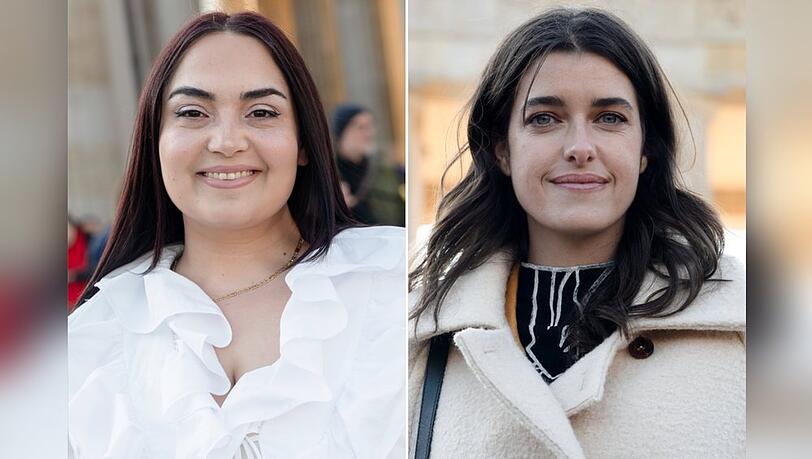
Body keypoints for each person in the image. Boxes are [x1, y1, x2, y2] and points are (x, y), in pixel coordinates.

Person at [408, 8, 744, 458]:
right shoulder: (420, 335)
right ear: (502, 150)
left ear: (646, 148)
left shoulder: (743, 327)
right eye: (544, 118)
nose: (580, 148)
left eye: (610, 118)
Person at [69, 12, 404, 459]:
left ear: (304, 142)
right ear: (155, 141)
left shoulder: (397, 285)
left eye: (261, 112)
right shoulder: (92, 342)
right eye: (192, 112)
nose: (227, 141)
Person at [332, 104, 405, 226]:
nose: (369, 133)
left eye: (370, 126)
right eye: (361, 127)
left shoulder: (387, 172)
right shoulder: (327, 174)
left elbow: (400, 216)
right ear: (342, 133)